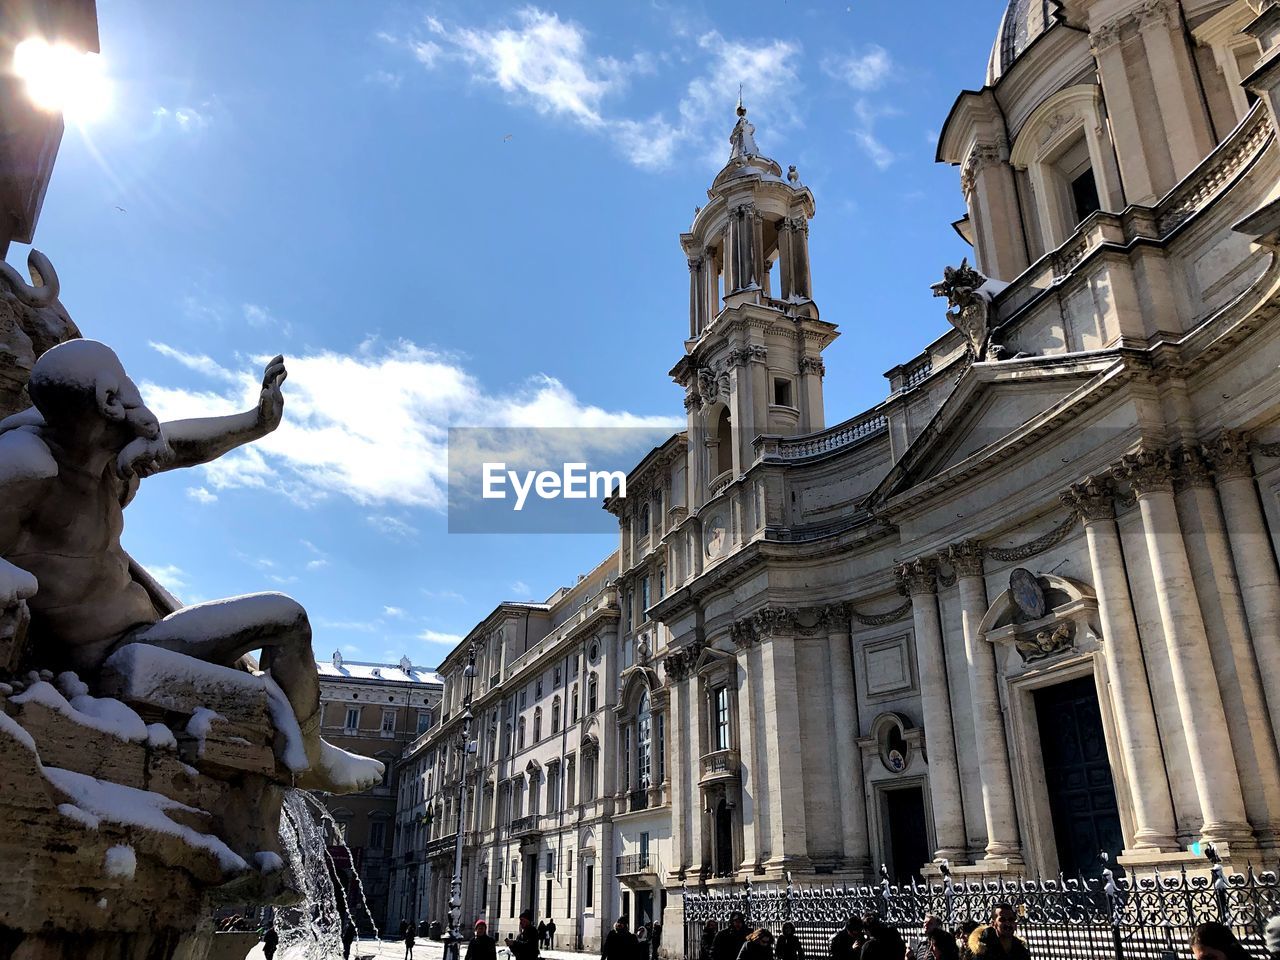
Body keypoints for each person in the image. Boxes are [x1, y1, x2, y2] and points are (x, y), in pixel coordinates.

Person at [0, 341, 384, 794]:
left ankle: (309, 743)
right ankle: (314, 760)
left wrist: (257, 422)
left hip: (147, 629)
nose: (136, 396)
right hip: (107, 655)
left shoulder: (99, 449)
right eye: (125, 386)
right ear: (106, 400)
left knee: (281, 622)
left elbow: (180, 445)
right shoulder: (28, 466)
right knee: (286, 617)